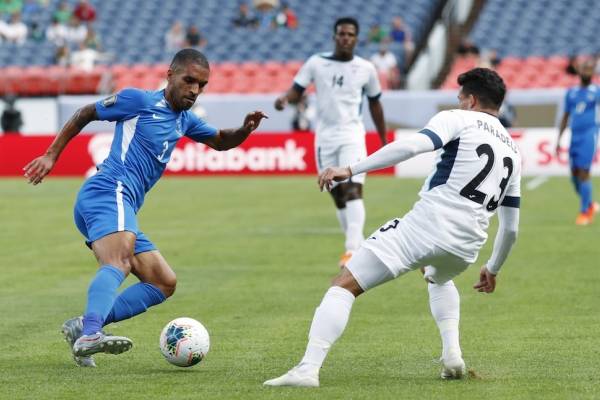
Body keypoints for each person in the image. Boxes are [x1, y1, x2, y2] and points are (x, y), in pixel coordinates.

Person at [264, 68, 521, 387]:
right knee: (439, 278)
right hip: (467, 245)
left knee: (343, 285)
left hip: (429, 225)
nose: (457, 102)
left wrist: (351, 168)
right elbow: (510, 229)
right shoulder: (513, 149)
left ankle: (307, 369)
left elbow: (413, 147)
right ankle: (452, 355)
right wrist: (493, 268)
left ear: (470, 100)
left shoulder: (458, 117)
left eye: (459, 97)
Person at [23, 48, 268, 368]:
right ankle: (92, 334)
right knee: (119, 261)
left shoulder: (185, 120)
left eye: (202, 85)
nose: (194, 90)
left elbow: (220, 140)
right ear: (170, 75)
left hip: (119, 204)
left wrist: (245, 130)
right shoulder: (139, 101)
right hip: (109, 191)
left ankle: (84, 325)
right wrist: (51, 154)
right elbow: (85, 112)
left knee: (162, 281)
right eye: (189, 80)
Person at [274, 17, 387, 268]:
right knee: (338, 197)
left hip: (352, 136)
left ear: (357, 38)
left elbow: (375, 103)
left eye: (350, 34)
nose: (346, 38)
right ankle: (360, 246)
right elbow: (297, 90)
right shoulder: (317, 63)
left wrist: (382, 137)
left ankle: (350, 251)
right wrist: (284, 99)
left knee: (353, 189)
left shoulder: (366, 68)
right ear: (335, 37)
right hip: (324, 138)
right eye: (342, 34)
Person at [556, 58, 600, 225]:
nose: (587, 71)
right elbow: (565, 116)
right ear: (579, 71)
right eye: (584, 68)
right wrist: (558, 140)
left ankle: (584, 213)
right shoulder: (571, 92)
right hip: (574, 135)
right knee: (574, 177)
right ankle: (590, 203)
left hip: (590, 133)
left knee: (583, 172)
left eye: (590, 68)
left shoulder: (597, 91)